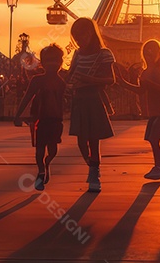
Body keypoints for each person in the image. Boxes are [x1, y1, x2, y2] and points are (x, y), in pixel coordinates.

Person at [66, 17, 115, 192]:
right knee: (81, 140)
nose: (79, 40)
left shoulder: (104, 54)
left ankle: (94, 171)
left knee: (93, 140)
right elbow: (70, 74)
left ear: (91, 34)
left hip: (94, 98)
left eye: (82, 36)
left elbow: (111, 79)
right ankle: (91, 165)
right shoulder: (77, 54)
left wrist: (89, 80)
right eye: (76, 38)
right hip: (79, 99)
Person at [117, 39, 160, 180]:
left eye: (152, 51)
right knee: (152, 140)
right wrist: (124, 83)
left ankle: (158, 168)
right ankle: (157, 167)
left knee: (154, 139)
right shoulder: (145, 72)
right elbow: (141, 91)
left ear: (158, 53)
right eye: (146, 51)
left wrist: (151, 84)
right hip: (154, 113)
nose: (149, 54)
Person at [14, 43, 66, 190]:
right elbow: (27, 97)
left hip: (56, 120)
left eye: (55, 60)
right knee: (39, 148)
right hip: (40, 120)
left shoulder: (61, 82)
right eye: (49, 60)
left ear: (60, 63)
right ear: (42, 63)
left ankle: (47, 163)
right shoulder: (37, 80)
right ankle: (41, 171)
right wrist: (18, 115)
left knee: (53, 150)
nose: (52, 64)